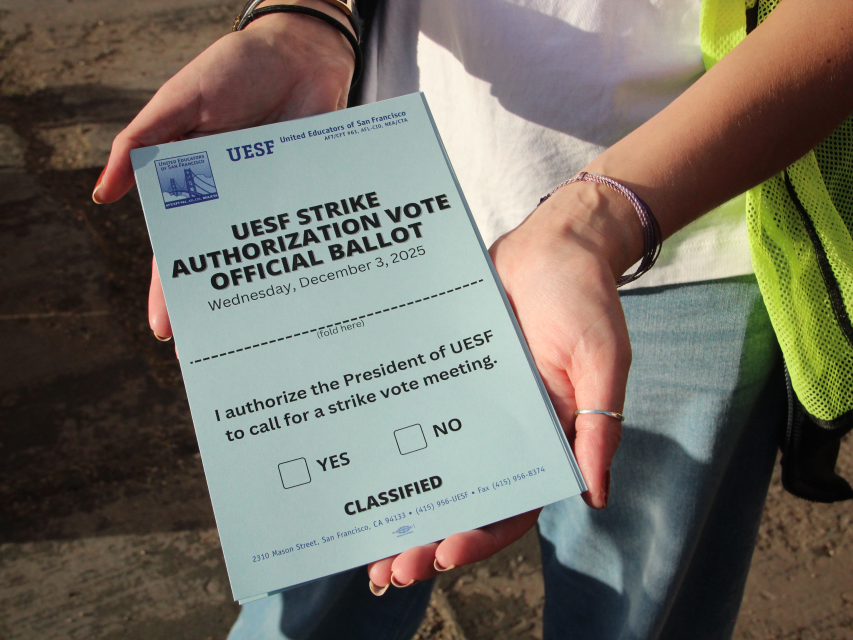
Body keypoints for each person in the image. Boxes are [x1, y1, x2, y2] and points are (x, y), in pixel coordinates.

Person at [92, 0, 853, 638]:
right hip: (379, 189)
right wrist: (303, 18)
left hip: (694, 227)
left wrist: (599, 219)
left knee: (634, 611)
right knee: (309, 592)